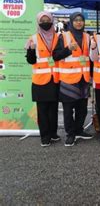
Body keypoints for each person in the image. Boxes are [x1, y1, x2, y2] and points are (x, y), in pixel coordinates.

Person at [53, 12, 93, 147]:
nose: (79, 22)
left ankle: (79, 130)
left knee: (82, 109)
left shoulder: (88, 37)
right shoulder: (63, 36)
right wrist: (68, 49)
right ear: (71, 22)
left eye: (81, 20)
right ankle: (70, 134)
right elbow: (56, 56)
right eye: (76, 20)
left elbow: (91, 58)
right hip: (69, 79)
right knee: (68, 110)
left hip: (84, 78)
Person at [25, 11, 60, 147]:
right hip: (40, 80)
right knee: (43, 110)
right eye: (42, 20)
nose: (45, 23)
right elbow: (31, 61)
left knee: (54, 108)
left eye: (48, 20)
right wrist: (31, 50)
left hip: (55, 78)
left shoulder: (58, 37)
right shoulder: (33, 38)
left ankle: (53, 133)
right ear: (38, 22)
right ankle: (45, 137)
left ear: (52, 21)